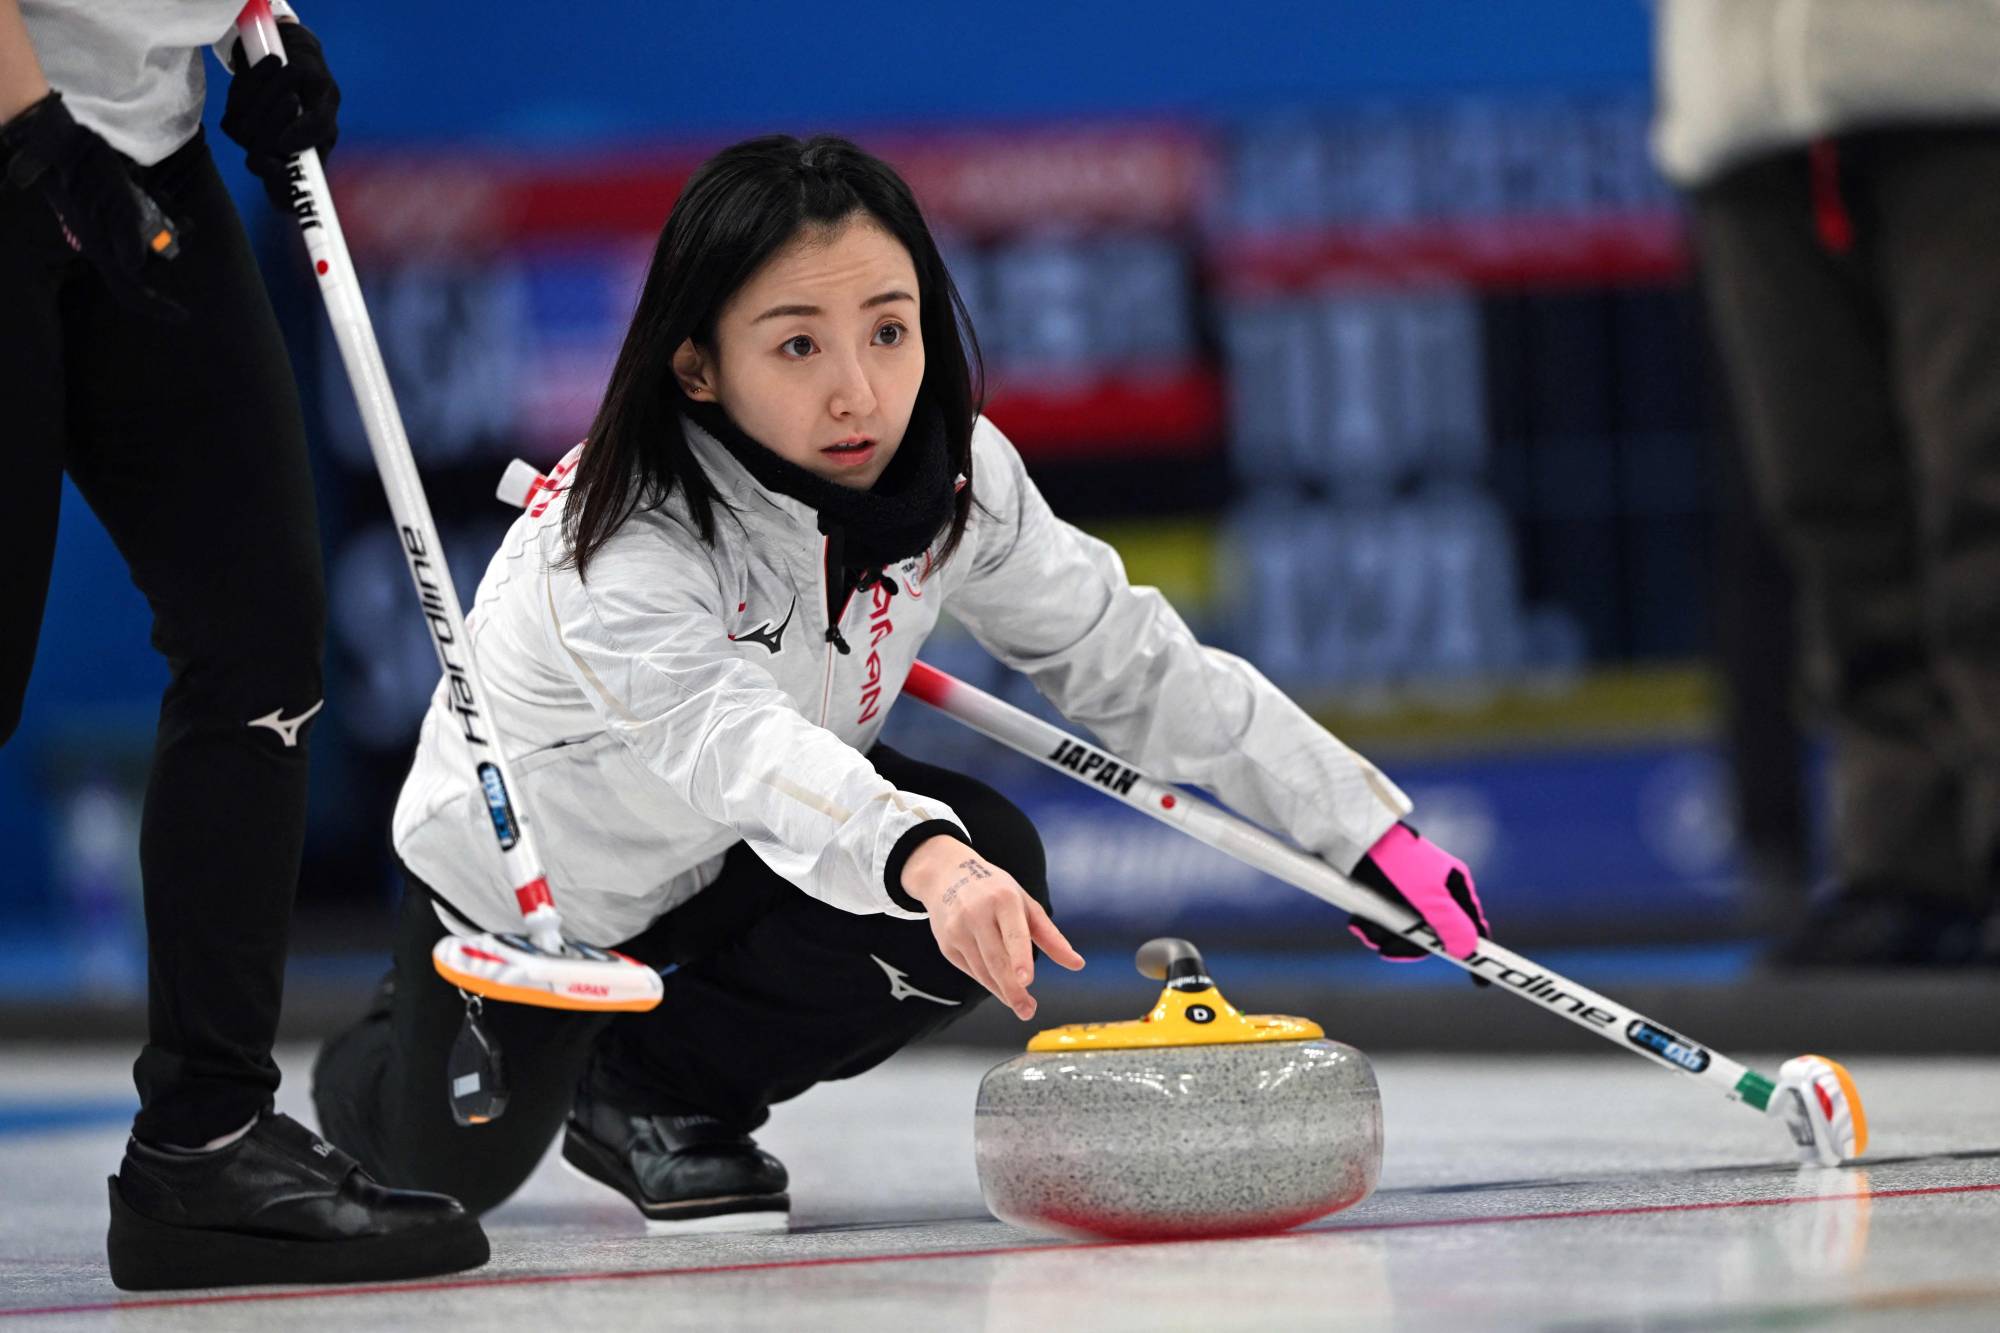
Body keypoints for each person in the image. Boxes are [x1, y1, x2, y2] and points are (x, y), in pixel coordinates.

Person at [311, 134, 1491, 1231]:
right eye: (796, 344)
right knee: (446, 1172)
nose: (858, 393)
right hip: (536, 894)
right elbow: (737, 748)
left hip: (760, 852)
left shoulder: (955, 473)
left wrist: (1358, 829)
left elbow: (1127, 658)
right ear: (697, 364)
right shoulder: (616, 544)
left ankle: (649, 1095)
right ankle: (380, 1043)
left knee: (994, 866)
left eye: (888, 330)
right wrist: (920, 855)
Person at [0, 0, 486, 1289]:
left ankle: (200, 1148)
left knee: (258, 644)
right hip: (18, 141)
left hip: (139, 147)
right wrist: (29, 137)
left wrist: (246, 27)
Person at [1655, 0, 2000, 966]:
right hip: (1743, 108)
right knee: (1830, 511)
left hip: (1968, 85)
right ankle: (1906, 864)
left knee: (1983, 486)